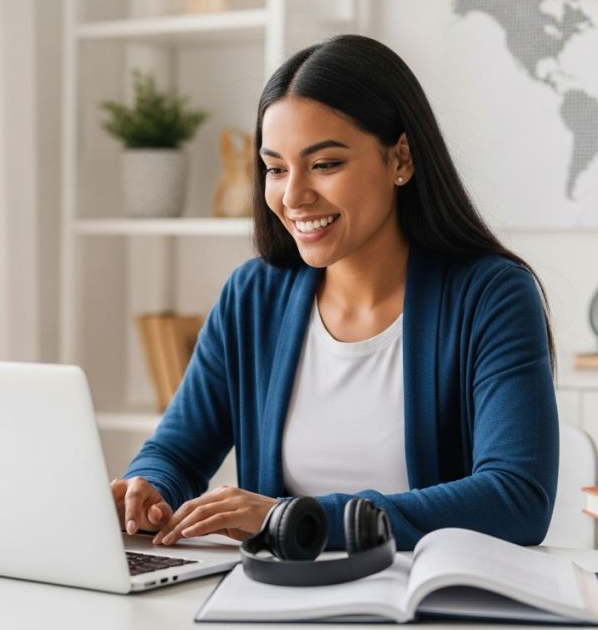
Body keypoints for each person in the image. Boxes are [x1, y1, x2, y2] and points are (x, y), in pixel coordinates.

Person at [110, 34, 559, 551]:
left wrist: (296, 519)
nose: (294, 196)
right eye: (276, 169)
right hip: (272, 591)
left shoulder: (491, 296)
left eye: (324, 164)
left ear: (401, 158)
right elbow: (176, 453)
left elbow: (516, 499)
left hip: (426, 593)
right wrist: (149, 488)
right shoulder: (253, 297)